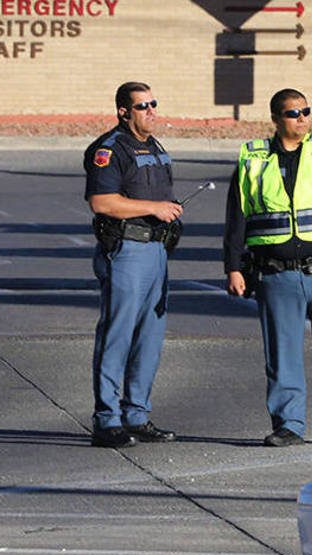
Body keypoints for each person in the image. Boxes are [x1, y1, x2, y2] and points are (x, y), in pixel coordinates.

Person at [223, 88, 312, 447]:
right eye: (293, 113)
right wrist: (234, 267)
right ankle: (289, 424)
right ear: (275, 119)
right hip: (276, 273)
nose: (302, 118)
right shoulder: (252, 160)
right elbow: (236, 218)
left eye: (306, 111)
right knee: (282, 350)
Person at [84, 81, 182, 448]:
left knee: (149, 337)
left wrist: (167, 211)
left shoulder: (153, 146)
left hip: (156, 250)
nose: (152, 111)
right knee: (117, 335)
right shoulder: (109, 149)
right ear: (124, 111)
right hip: (127, 249)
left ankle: (136, 414)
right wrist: (154, 208)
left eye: (154, 103)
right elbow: (103, 201)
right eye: (143, 106)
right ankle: (107, 419)